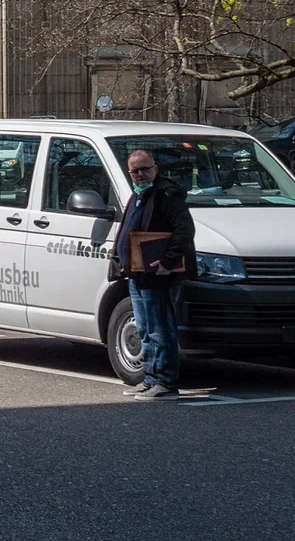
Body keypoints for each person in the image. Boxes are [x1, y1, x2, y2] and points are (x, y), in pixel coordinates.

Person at [110, 149, 195, 401]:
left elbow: (185, 230)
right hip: (137, 274)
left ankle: (166, 383)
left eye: (145, 169)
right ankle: (150, 379)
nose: (140, 174)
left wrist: (168, 261)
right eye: (135, 171)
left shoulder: (167, 194)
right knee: (146, 329)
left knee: (160, 329)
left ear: (155, 169)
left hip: (157, 273)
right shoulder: (138, 195)